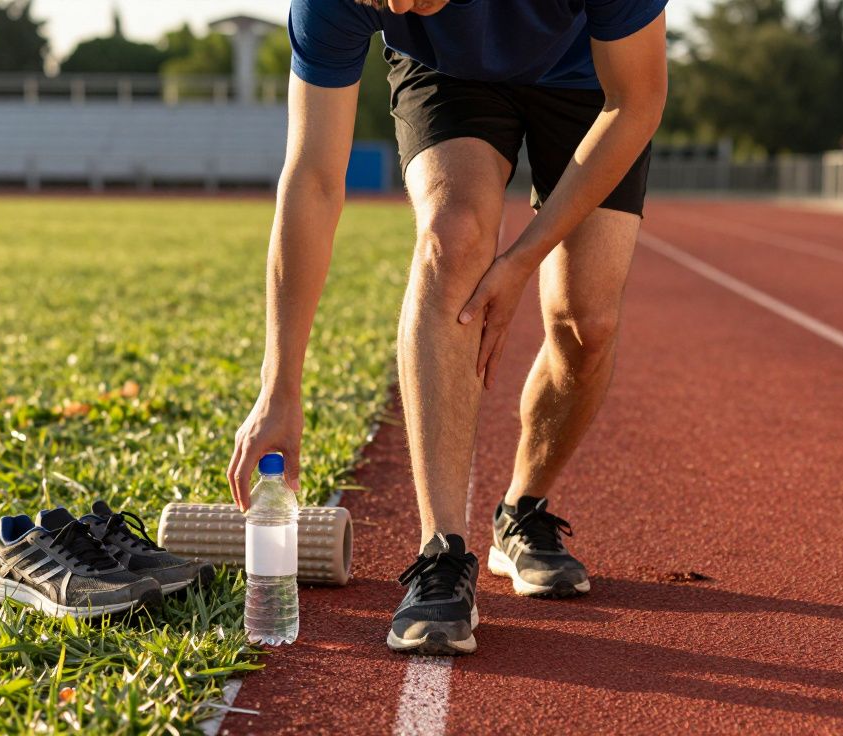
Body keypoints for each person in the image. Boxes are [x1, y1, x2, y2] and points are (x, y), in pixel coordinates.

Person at [227, 0, 668, 656]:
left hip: (590, 83)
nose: (395, 5)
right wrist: (279, 387)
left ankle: (523, 510)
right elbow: (315, 179)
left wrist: (522, 261)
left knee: (587, 323)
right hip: (447, 78)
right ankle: (443, 552)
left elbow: (636, 101)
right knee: (451, 237)